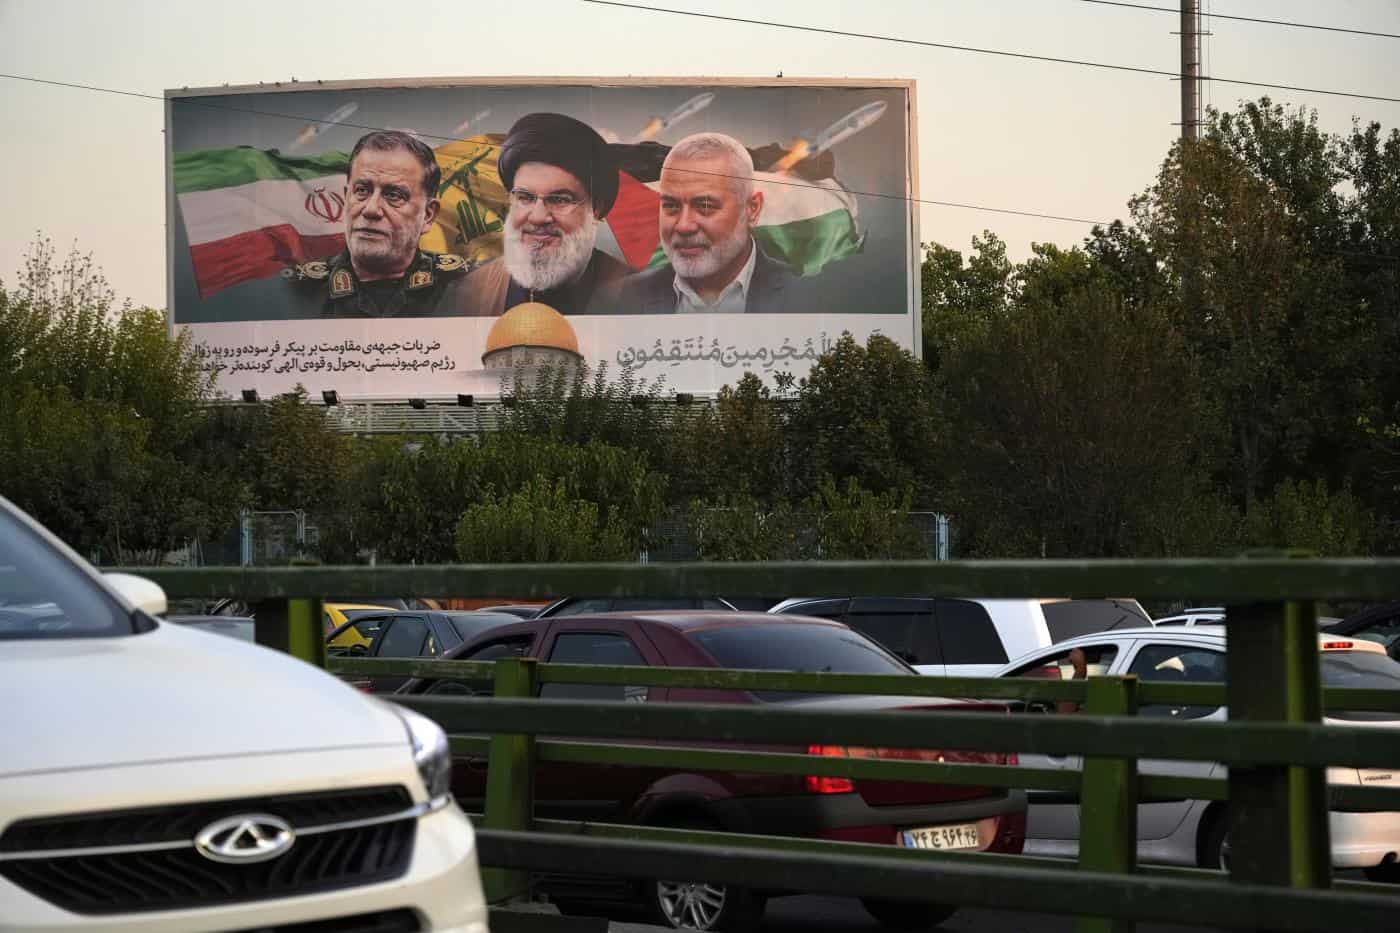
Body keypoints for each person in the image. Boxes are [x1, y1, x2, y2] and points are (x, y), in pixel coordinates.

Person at [456, 112, 631, 316]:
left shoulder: (636, 294)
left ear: (596, 209)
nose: (538, 217)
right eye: (524, 197)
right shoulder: (467, 294)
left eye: (560, 200)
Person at [283, 130, 468, 317]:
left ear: (428, 215)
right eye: (362, 190)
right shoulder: (291, 292)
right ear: (346, 199)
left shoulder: (470, 289)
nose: (370, 209)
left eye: (394, 195)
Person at [617, 132, 805, 314]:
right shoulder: (627, 297)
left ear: (752, 209)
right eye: (671, 206)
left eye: (705, 206)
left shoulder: (805, 294)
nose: (683, 226)